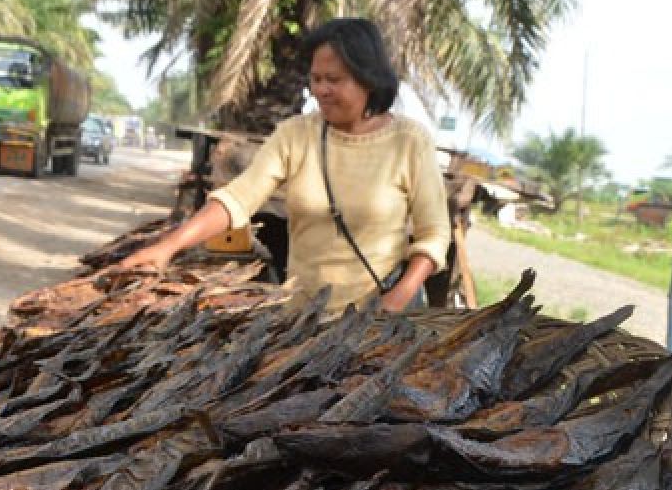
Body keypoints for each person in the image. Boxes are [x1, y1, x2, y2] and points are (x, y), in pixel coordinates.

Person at [122, 18, 451, 313]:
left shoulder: (409, 141)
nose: (321, 90)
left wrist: (398, 298)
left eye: (333, 79)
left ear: (369, 78)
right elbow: (239, 198)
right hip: (302, 319)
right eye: (316, 79)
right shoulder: (296, 135)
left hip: (378, 322)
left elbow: (434, 233)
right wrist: (169, 246)